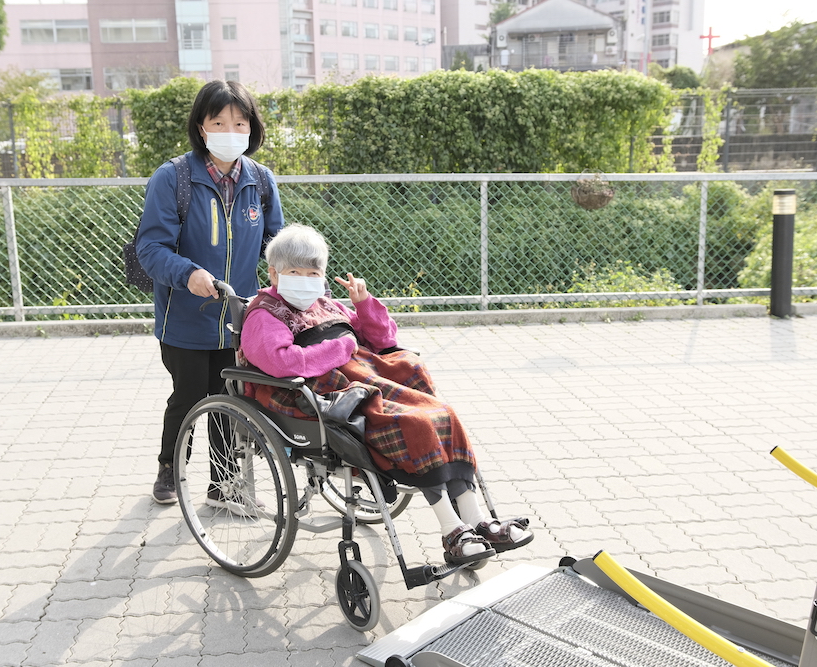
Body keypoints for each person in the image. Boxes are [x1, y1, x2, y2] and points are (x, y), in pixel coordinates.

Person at [240, 224, 532, 566]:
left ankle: (476, 518)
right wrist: (342, 346)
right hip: (321, 393)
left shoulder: (326, 304)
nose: (304, 279)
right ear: (273, 273)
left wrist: (363, 305)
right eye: (294, 272)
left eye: (313, 272)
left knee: (444, 415)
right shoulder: (265, 314)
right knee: (417, 424)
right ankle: (452, 530)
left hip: (365, 377)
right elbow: (281, 362)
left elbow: (382, 339)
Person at [137, 80, 283, 505]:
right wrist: (187, 274)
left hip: (239, 319)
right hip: (184, 318)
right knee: (188, 397)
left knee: (230, 400)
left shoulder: (260, 179)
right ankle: (170, 466)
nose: (230, 130)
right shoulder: (173, 178)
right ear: (202, 127)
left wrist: (293, 274)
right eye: (219, 121)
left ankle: (224, 485)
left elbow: (276, 241)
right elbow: (151, 247)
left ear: (251, 127)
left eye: (240, 122)